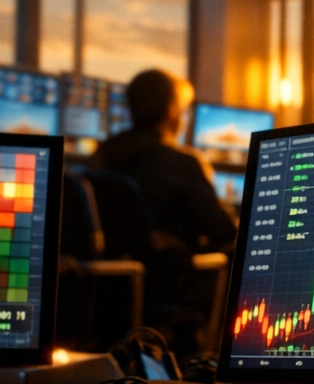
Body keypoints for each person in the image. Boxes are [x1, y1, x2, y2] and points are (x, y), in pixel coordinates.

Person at [92, 69, 236, 253]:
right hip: (169, 268)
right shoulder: (182, 163)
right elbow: (224, 232)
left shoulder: (101, 155)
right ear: (172, 111)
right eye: (185, 110)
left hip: (113, 266)